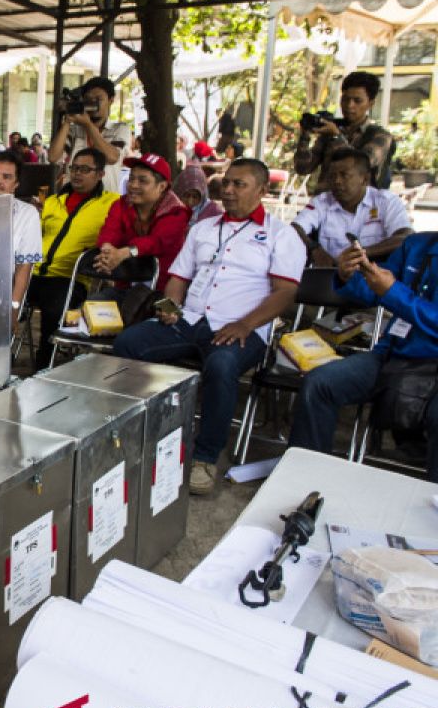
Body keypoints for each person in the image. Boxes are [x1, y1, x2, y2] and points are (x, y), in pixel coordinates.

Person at [111, 159, 306, 495]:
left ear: (263, 190)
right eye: (226, 183)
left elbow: (285, 293)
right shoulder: (203, 228)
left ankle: (204, 457)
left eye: (239, 185)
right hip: (189, 319)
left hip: (241, 328)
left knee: (221, 364)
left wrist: (245, 324)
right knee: (128, 344)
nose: (227, 190)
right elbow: (177, 278)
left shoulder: (282, 236)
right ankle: (136, 434)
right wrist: (168, 308)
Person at [288, 232, 438, 480]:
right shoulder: (417, 245)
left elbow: (392, 292)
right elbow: (371, 290)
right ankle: (306, 479)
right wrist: (347, 274)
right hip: (393, 357)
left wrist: (393, 292)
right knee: (320, 383)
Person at [27, 147, 121, 367]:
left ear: (100, 174)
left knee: (54, 310)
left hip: (70, 279)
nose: (77, 174)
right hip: (34, 272)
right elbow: (33, 235)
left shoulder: (112, 203)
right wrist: (34, 216)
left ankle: (43, 366)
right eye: (74, 168)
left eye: (85, 169)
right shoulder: (52, 201)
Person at [291, 147, 412, 267]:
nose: (337, 181)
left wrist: (360, 254)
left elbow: (405, 237)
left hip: (375, 277)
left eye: (344, 175)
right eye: (332, 176)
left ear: (364, 179)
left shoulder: (386, 201)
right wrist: (314, 248)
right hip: (333, 277)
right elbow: (295, 228)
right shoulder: (321, 202)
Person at [95, 153, 190, 291]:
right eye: (131, 178)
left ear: (162, 186)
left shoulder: (177, 212)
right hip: (125, 282)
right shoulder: (121, 204)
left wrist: (123, 253)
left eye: (142, 181)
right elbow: (109, 231)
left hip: (161, 289)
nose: (133, 185)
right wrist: (107, 253)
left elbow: (156, 242)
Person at [294, 71, 394, 192]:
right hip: (325, 204)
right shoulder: (332, 130)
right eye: (345, 99)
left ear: (370, 104)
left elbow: (359, 165)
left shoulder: (380, 136)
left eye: (357, 101)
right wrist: (305, 135)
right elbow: (303, 168)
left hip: (358, 208)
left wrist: (336, 137)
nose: (349, 105)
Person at [0, 152, 44, 314]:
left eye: (7, 177)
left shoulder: (27, 214)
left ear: (16, 184)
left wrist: (14, 308)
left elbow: (23, 267)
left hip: (1, 296)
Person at [50, 76, 131, 194]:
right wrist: (67, 121)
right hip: (73, 200)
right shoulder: (74, 130)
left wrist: (88, 125)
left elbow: (112, 157)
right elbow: (53, 157)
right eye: (88, 99)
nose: (93, 103)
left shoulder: (119, 129)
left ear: (111, 100)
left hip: (105, 202)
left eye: (98, 99)